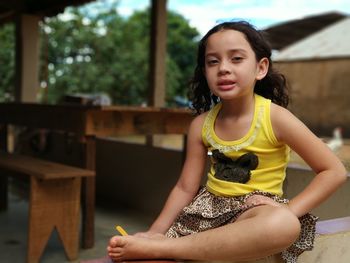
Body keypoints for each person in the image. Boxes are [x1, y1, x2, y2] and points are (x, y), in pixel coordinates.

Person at [107, 20, 347, 263]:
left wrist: (289, 209)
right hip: (203, 215)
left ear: (260, 68)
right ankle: (164, 245)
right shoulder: (201, 124)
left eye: (236, 59)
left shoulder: (275, 118)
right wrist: (154, 232)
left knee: (285, 224)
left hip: (253, 214)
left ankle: (167, 248)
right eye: (213, 61)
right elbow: (185, 187)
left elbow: (333, 171)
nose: (223, 68)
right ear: (205, 72)